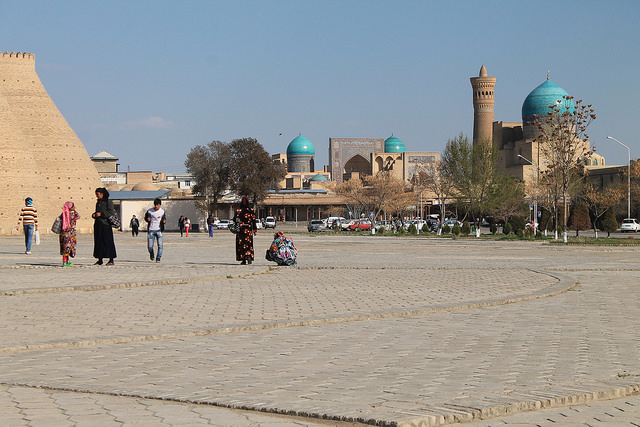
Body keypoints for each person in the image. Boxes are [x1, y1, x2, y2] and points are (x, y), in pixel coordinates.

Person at [91, 187, 117, 265]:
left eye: (98, 194)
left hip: (106, 225)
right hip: (98, 225)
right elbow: (97, 211)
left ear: (102, 194)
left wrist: (101, 214)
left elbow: (111, 213)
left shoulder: (108, 202)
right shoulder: (98, 202)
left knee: (108, 242)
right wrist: (94, 214)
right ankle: (100, 259)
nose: (97, 196)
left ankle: (111, 259)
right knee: (99, 242)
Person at [232, 197, 257, 265]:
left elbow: (234, 220)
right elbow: (253, 221)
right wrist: (255, 230)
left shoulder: (238, 211)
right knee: (248, 244)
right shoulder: (251, 210)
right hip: (248, 230)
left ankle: (243, 259)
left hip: (241, 230)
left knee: (241, 245)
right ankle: (248, 256)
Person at [145, 198, 166, 263]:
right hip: (151, 230)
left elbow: (164, 219)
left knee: (160, 245)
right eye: (155, 205)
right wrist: (147, 219)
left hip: (159, 230)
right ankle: (152, 254)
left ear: (160, 205)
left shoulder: (162, 212)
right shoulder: (149, 211)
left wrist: (164, 221)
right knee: (150, 246)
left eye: (158, 205)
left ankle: (158, 258)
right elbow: (145, 217)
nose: (156, 206)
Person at [59, 201, 80, 267]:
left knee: (66, 248)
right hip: (70, 234)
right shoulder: (72, 215)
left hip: (64, 233)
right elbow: (78, 216)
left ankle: (66, 261)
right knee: (68, 248)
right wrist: (75, 210)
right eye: (73, 206)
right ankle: (65, 262)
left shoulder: (63, 214)